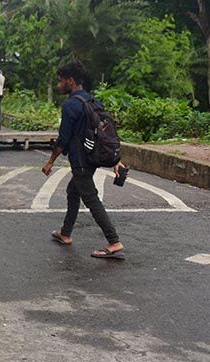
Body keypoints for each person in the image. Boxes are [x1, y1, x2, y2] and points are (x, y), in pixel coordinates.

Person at [42, 60, 126, 259]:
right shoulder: (92, 100)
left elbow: (63, 139)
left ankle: (114, 241)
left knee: (90, 197)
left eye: (61, 81)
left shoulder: (71, 104)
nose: (59, 85)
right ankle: (66, 233)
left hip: (81, 159)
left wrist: (50, 161)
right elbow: (106, 132)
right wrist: (116, 159)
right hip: (92, 157)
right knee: (73, 191)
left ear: (70, 81)